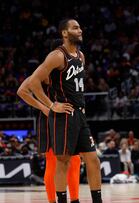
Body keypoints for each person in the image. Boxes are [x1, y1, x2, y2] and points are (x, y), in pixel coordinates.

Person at [28, 19, 102, 203]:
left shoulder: (80, 56)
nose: (80, 30)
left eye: (79, 26)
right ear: (64, 33)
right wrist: (51, 105)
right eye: (75, 28)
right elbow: (32, 83)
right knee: (63, 161)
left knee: (93, 159)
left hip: (80, 114)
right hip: (64, 116)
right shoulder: (57, 56)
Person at [18, 73, 81, 203]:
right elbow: (21, 91)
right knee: (54, 162)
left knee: (74, 160)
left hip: (69, 117)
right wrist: (44, 107)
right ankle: (54, 200)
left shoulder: (67, 68)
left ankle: (74, 199)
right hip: (51, 121)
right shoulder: (44, 72)